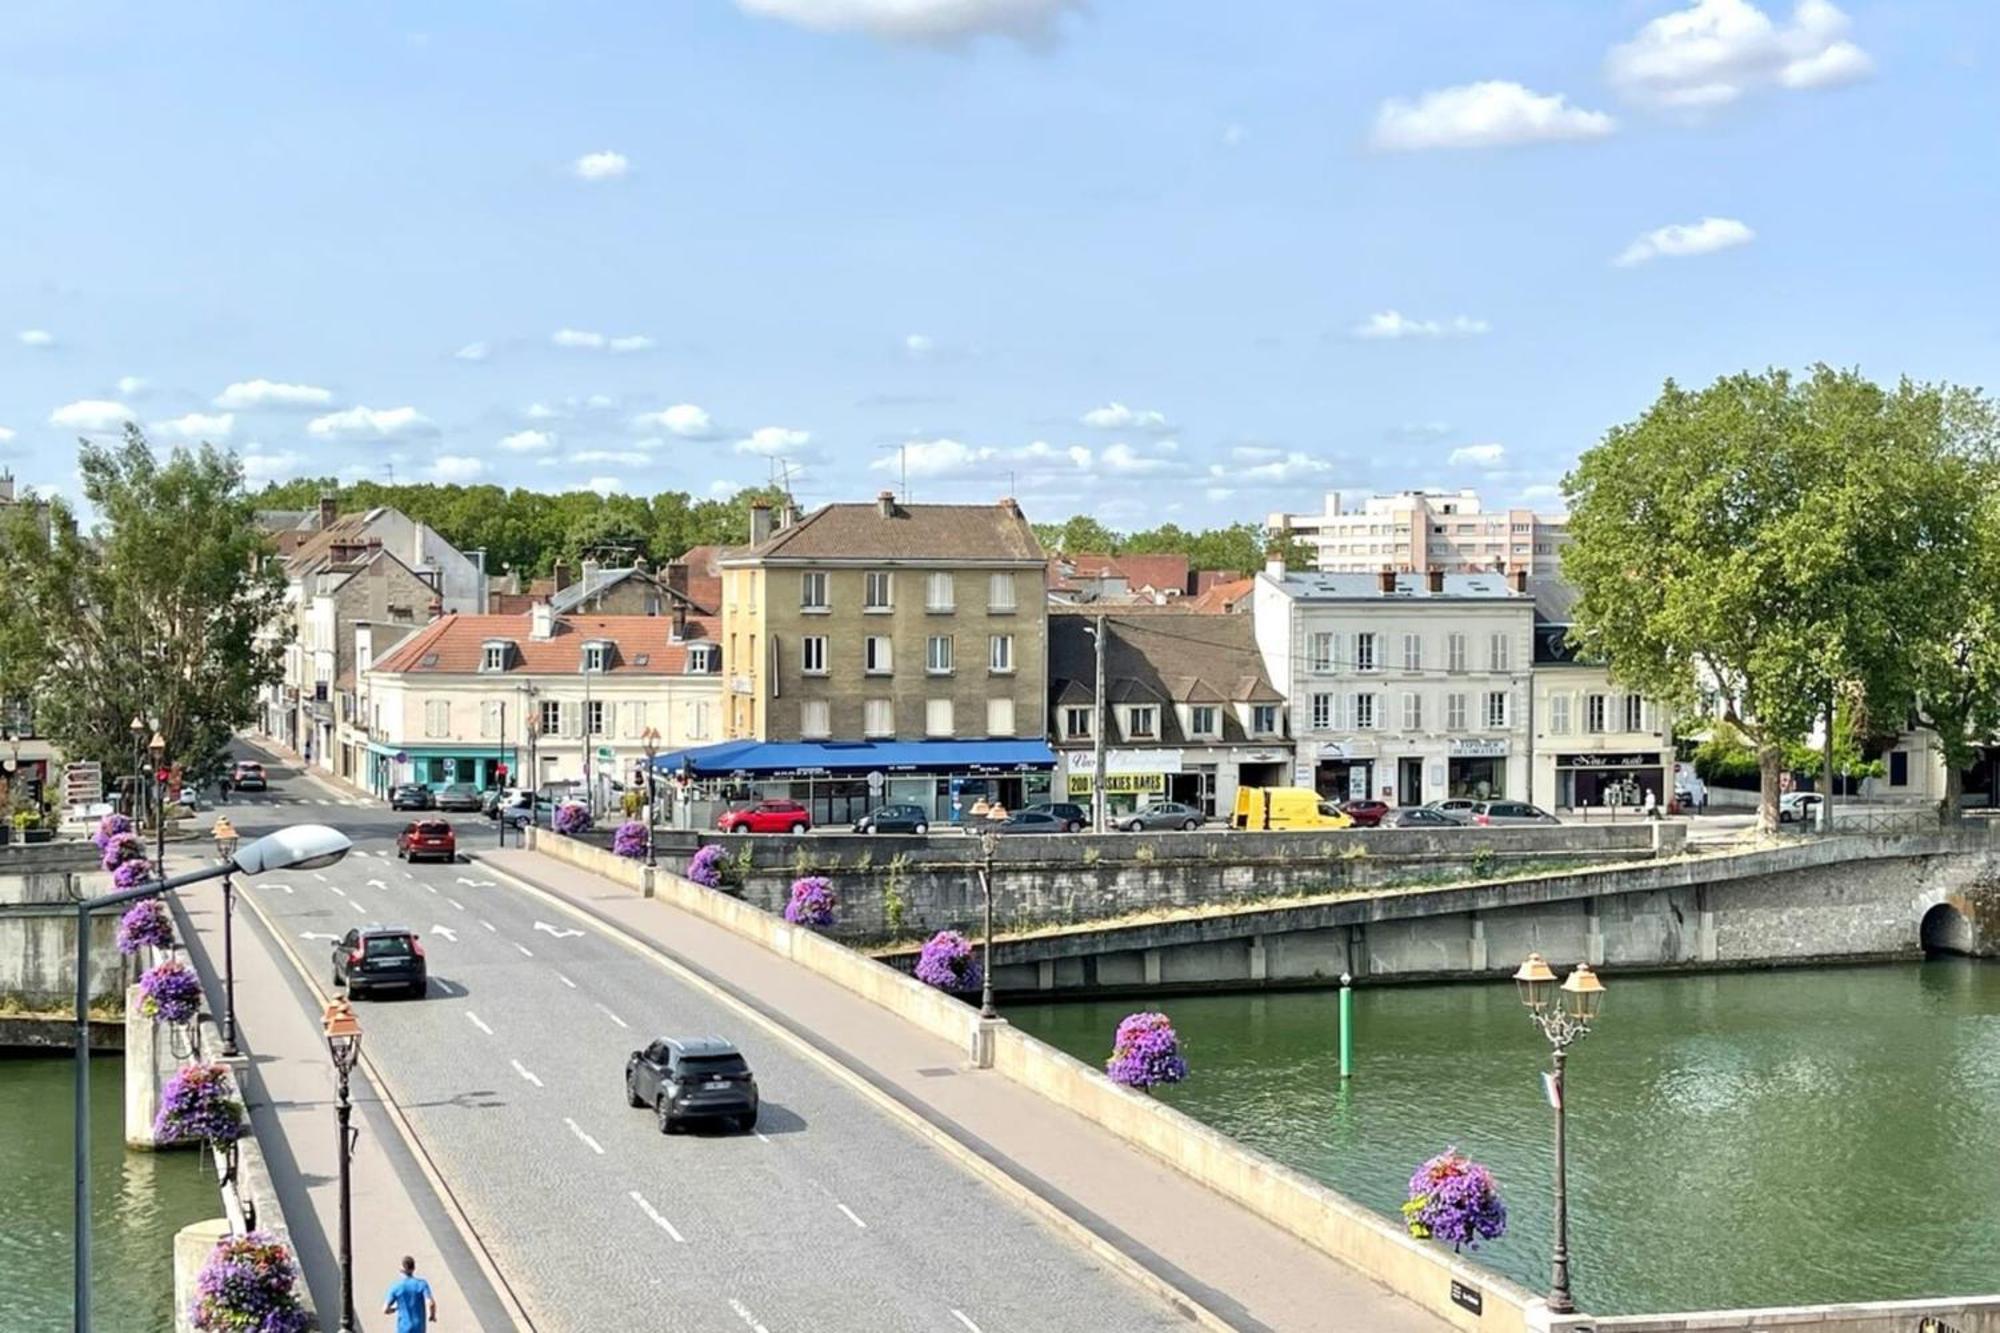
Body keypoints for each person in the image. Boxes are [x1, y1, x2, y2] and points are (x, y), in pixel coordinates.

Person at [383, 1255, 437, 1331]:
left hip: (403, 1328)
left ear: (401, 1269)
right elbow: (431, 1303)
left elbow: (385, 1309)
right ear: (414, 1268)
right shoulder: (422, 1284)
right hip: (418, 1328)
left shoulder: (396, 1287)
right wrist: (432, 1315)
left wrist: (395, 1309)